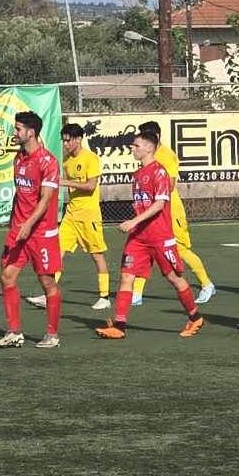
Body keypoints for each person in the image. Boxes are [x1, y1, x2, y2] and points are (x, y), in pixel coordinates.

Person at [95, 127, 205, 340]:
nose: (132, 148)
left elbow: (159, 204)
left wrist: (133, 221)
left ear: (148, 148)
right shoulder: (137, 174)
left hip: (160, 237)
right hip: (138, 238)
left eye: (136, 145)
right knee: (126, 276)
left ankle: (195, 317)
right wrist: (135, 224)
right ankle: (119, 326)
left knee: (174, 278)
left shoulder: (159, 172)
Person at [0, 110, 63, 349]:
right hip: (19, 230)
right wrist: (14, 223)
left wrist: (28, 225)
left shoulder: (48, 162)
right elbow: (20, 195)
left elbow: (45, 200)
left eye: (18, 128)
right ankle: (14, 332)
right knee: (6, 276)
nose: (15, 132)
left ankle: (52, 334)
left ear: (31, 132)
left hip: (41, 233)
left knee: (47, 283)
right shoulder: (18, 158)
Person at [128, 120, 217, 309]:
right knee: (146, 249)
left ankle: (206, 284)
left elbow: (169, 185)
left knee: (181, 250)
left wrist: (150, 200)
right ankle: (136, 293)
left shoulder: (166, 156)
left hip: (170, 212)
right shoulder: (146, 159)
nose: (138, 144)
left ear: (154, 138)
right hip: (151, 214)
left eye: (143, 138)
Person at [30, 123, 111, 312]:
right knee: (57, 252)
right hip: (71, 216)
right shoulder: (67, 161)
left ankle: (105, 296)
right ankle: (49, 293)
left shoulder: (90, 158)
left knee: (97, 255)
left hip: (89, 216)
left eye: (68, 140)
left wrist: (64, 182)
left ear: (78, 139)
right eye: (63, 141)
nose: (65, 144)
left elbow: (91, 186)